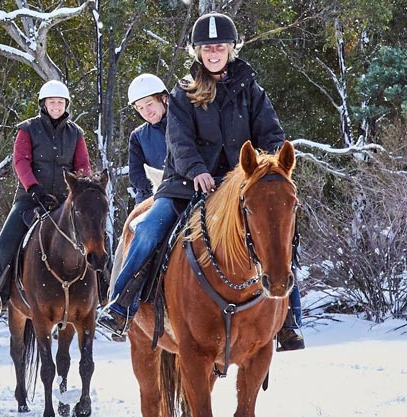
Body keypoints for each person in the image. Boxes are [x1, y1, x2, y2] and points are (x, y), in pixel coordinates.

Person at [99, 13, 306, 351]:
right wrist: (197, 169)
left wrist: (265, 171)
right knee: (149, 228)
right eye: (207, 48)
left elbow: (271, 135)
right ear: (197, 51)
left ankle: (288, 321)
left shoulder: (251, 90)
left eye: (219, 47)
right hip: (186, 185)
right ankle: (121, 305)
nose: (213, 54)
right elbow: (178, 141)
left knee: (277, 230)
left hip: (240, 186)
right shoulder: (183, 93)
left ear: (230, 49)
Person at [0, 80, 93, 314]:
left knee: (94, 233)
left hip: (65, 200)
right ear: (43, 104)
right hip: (30, 197)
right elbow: (21, 161)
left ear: (66, 105)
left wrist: (81, 188)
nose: (56, 106)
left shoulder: (76, 133)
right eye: (52, 102)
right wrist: (34, 188)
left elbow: (82, 165)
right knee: (6, 240)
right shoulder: (27, 129)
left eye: (60, 102)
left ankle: (101, 290)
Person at [125, 73, 172, 204]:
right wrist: (156, 186)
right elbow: (136, 174)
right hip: (153, 196)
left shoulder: (184, 124)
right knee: (144, 224)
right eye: (140, 108)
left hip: (187, 189)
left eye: (149, 104)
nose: (147, 112)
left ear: (164, 98)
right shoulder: (138, 136)